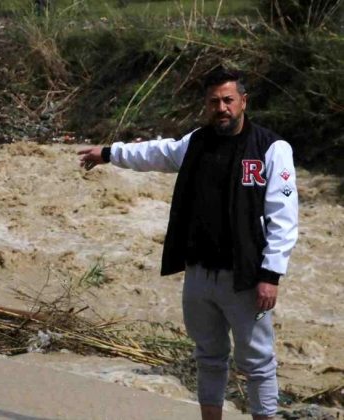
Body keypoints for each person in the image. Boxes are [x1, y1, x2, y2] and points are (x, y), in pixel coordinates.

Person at [78, 67, 298, 420]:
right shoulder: (196, 142)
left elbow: (284, 217)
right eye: (214, 102)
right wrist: (108, 153)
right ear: (206, 105)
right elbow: (156, 153)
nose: (221, 108)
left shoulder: (271, 148)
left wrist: (271, 274)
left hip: (244, 275)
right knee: (208, 357)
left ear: (243, 101)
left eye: (228, 100)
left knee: (257, 362)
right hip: (199, 274)